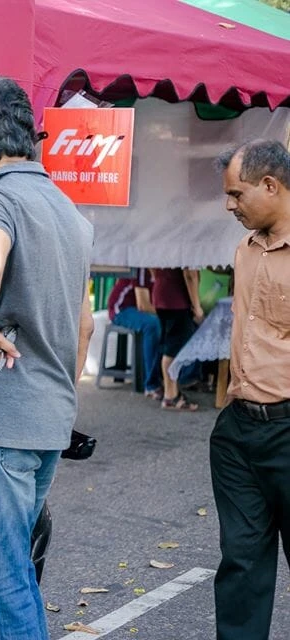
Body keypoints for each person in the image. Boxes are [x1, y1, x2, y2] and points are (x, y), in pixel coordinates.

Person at [0, 76, 94, 640]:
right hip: (47, 418)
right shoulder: (67, 210)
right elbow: (82, 324)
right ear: (30, 134)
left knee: (0, 583)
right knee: (16, 573)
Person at [211, 139, 290, 640]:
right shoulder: (245, 249)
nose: (229, 205)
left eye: (237, 194)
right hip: (239, 431)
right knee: (241, 565)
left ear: (270, 185)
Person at [150, 267, 203, 410]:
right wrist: (197, 306)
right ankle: (170, 396)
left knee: (169, 346)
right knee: (172, 349)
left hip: (160, 295)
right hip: (178, 299)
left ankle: (172, 391)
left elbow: (150, 265)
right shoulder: (186, 250)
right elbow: (190, 274)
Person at [106, 269, 163, 398]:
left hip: (140, 310)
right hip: (121, 309)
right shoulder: (141, 267)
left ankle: (181, 380)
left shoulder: (163, 269)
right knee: (153, 324)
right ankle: (151, 385)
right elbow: (143, 305)